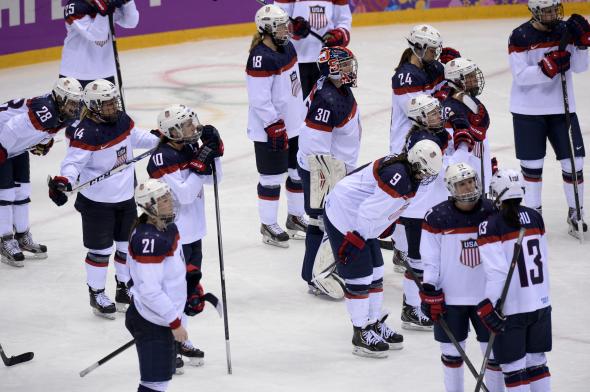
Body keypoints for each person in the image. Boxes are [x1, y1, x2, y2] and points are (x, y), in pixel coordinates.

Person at [48, 79, 159, 319]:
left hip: (126, 198)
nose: (112, 107)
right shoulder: (86, 132)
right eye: (106, 104)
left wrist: (159, 140)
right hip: (97, 203)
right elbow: (73, 162)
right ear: (94, 105)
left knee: (125, 247)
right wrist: (64, 180)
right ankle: (96, 292)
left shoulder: (120, 120)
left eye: (113, 102)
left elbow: (134, 137)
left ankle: (123, 287)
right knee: (100, 250)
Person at [323, 138, 443, 357]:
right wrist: (357, 238)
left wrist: (384, 227)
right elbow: (369, 211)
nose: (427, 177)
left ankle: (374, 321)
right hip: (345, 216)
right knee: (359, 277)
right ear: (417, 163)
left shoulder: (408, 171)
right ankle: (360, 332)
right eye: (425, 172)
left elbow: (383, 208)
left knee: (377, 270)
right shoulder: (399, 177)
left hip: (360, 220)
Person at [147, 104, 223, 366]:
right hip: (173, 236)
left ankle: (179, 341)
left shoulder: (189, 148)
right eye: (188, 125)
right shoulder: (161, 158)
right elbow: (185, 195)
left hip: (194, 233)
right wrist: (200, 163)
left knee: (185, 292)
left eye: (193, 122)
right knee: (173, 293)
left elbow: (215, 180)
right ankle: (168, 346)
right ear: (172, 132)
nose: (194, 128)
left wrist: (214, 153)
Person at [420, 163, 504, 392]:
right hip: (451, 299)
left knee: (495, 356)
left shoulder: (491, 210)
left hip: (486, 299)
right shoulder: (436, 217)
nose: (467, 187)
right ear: (450, 188)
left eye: (470, 181)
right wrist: (429, 290)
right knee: (451, 355)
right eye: (461, 183)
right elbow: (431, 260)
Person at [509, 0, 589, 237]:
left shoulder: (565, 31)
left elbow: (579, 68)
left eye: (555, 9)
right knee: (533, 168)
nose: (553, 13)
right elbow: (520, 76)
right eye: (547, 10)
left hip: (562, 110)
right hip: (527, 111)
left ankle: (576, 213)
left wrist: (583, 46)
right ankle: (534, 215)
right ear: (535, 12)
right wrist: (546, 68)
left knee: (574, 163)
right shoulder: (520, 36)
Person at [477, 169, 552, 391]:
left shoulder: (489, 225)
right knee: (537, 363)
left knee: (514, 369)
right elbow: (544, 259)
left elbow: (497, 272)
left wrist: (490, 306)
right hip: (540, 302)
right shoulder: (536, 217)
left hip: (511, 308)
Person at [296, 45, 360, 295]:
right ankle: (316, 277)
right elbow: (315, 148)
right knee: (322, 221)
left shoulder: (333, 87)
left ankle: (314, 273)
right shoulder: (327, 99)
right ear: (331, 68)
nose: (348, 69)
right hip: (323, 170)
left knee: (323, 222)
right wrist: (328, 183)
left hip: (332, 168)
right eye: (343, 64)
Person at [0, 77, 83, 267]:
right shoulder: (44, 110)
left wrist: (45, 141)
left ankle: (22, 236)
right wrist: (1, 150)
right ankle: (4, 240)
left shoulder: (62, 110)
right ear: (60, 98)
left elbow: (50, 129)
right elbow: (12, 128)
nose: (75, 106)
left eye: (77, 102)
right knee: (4, 193)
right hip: (3, 140)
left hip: (15, 146)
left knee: (22, 190)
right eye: (71, 101)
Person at [246, 4, 308, 248]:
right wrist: (273, 124)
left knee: (296, 173)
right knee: (271, 178)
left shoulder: (287, 46)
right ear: (267, 29)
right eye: (281, 26)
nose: (286, 29)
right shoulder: (261, 59)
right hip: (269, 129)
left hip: (294, 126)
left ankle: (294, 217)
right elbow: (259, 99)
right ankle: (268, 224)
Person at [393, 94, 450, 331]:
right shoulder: (423, 140)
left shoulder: (426, 135)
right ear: (421, 117)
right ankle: (411, 309)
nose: (439, 116)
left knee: (424, 259)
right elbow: (445, 171)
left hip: (424, 207)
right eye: (434, 113)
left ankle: (415, 306)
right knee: (418, 261)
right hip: (419, 210)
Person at [126, 179, 188, 392]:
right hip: (152, 320)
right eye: (162, 199)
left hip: (159, 319)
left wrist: (193, 284)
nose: (169, 201)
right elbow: (150, 291)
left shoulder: (167, 227)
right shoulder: (148, 240)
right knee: (155, 383)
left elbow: (175, 268)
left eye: (167, 195)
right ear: (149, 205)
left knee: (161, 380)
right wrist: (174, 322)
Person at [276, 0, 352, 99]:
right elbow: (278, 24)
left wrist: (339, 34)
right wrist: (291, 29)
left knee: (329, 106)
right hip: (295, 61)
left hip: (328, 61)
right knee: (297, 108)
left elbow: (344, 20)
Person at [440, 57, 492, 192]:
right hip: (465, 180)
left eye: (474, 75)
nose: (475, 79)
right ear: (456, 80)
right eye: (469, 76)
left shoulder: (471, 102)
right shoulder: (451, 108)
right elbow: (455, 148)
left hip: (479, 172)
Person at [61, 0, 139, 87]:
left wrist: (128, 2)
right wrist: (104, 10)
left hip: (105, 73)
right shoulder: (74, 6)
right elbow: (97, 35)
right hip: (75, 74)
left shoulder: (107, 2)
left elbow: (131, 22)